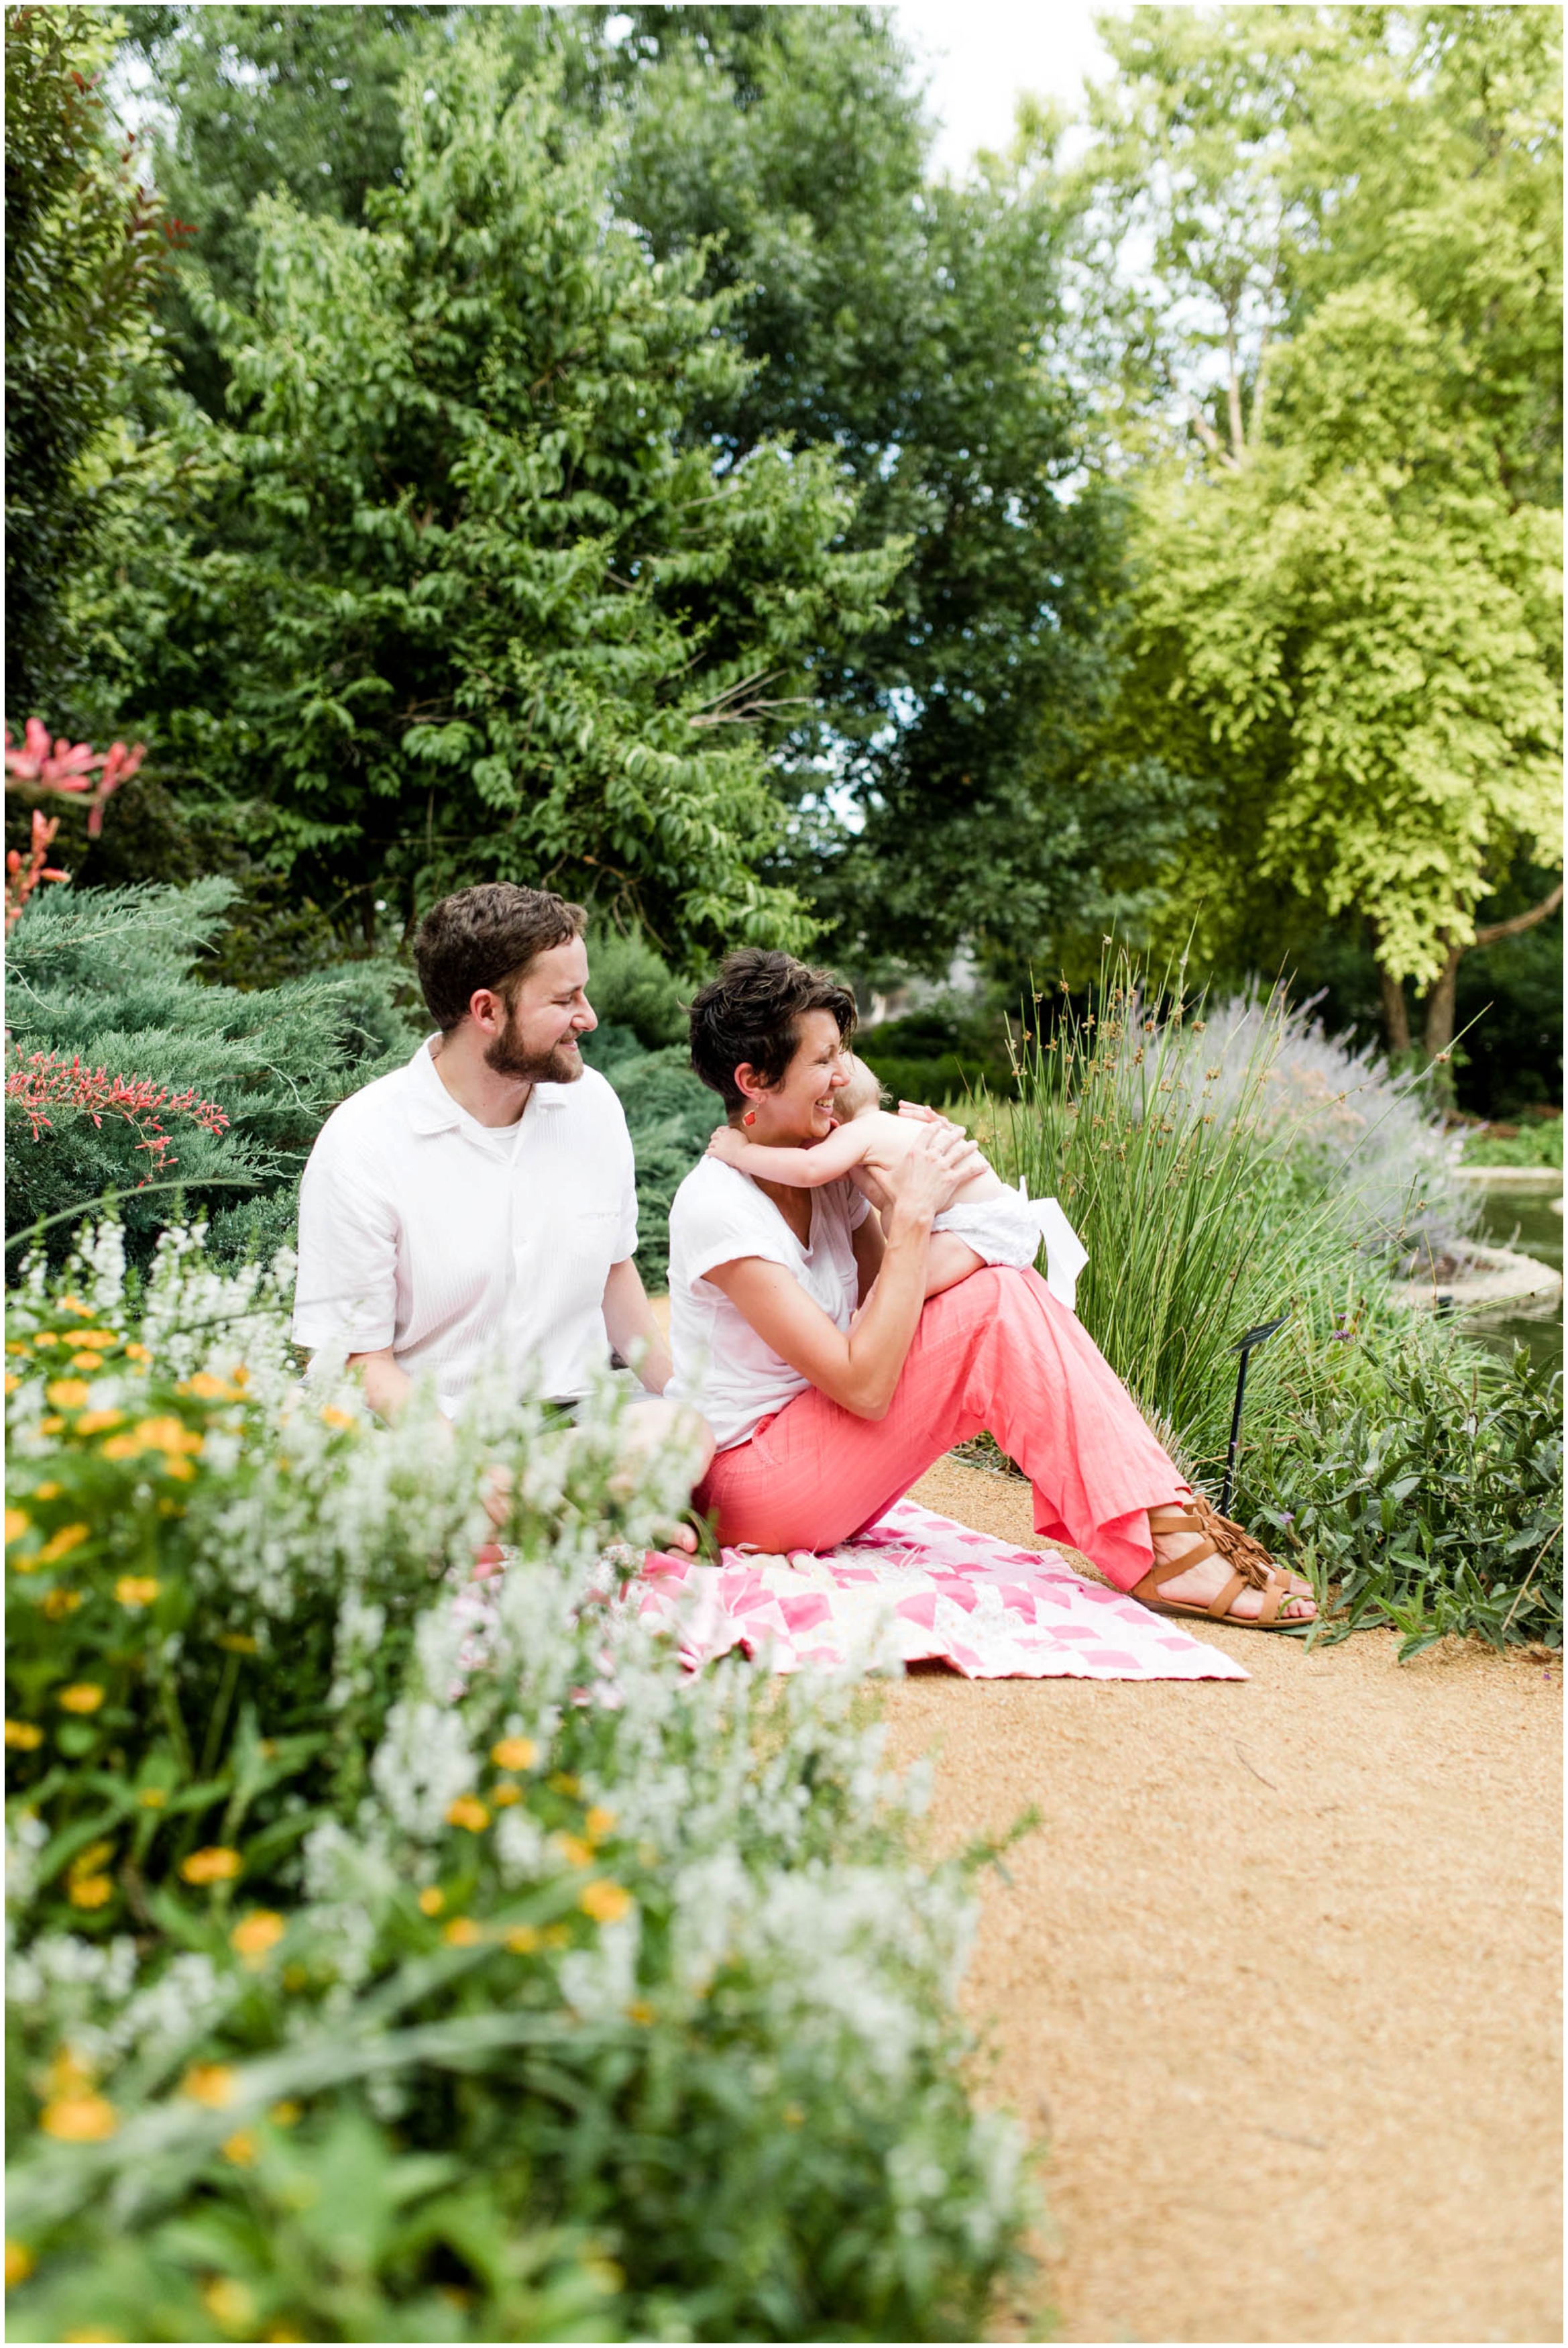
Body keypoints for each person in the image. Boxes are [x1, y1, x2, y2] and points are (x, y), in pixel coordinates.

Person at [667, 949, 1314, 1630]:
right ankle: (1161, 1545)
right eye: (823, 1059)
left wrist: (917, 1195)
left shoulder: (828, 1172)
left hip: (820, 1449)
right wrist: (916, 1215)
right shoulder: (718, 1205)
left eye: (841, 1054)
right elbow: (864, 1383)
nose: (842, 1076)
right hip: (751, 1485)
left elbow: (896, 1301)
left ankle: (1167, 1522)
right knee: (995, 1301)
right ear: (754, 1080)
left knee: (1003, 1285)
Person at [292, 883, 714, 1529]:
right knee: (355, 1477)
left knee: (681, 1434)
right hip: (422, 1430)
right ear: (486, 1011)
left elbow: (613, 1276)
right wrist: (459, 1461)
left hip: (569, 1422)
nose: (589, 1016)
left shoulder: (593, 1105)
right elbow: (359, 1365)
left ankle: (522, 1514)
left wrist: (689, 1394)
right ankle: (551, 1515)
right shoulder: (362, 1142)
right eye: (565, 999)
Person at [704, 1050, 1089, 1310]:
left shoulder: (859, 1134)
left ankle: (856, 1346)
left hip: (976, 1228)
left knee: (893, 1297)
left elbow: (809, 1170)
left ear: (831, 1117)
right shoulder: (891, 1127)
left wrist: (741, 1154)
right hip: (984, 1219)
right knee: (898, 1293)